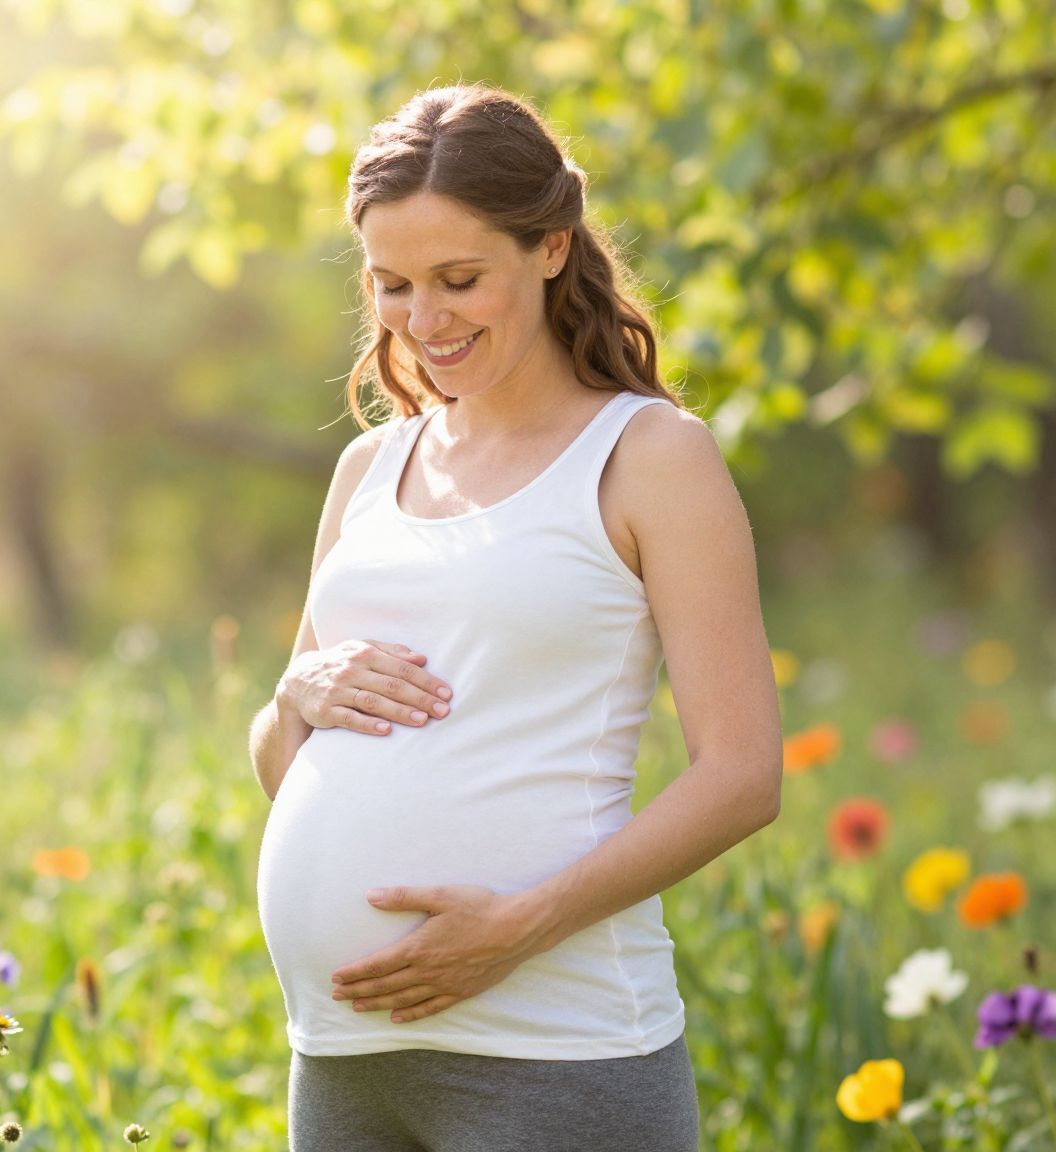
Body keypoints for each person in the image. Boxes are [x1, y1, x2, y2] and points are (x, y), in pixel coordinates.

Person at [246, 83, 783, 1152]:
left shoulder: (646, 458)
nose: (422, 320)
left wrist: (515, 928)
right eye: (391, 286)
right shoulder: (366, 468)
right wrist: (290, 694)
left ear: (548, 247)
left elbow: (742, 776)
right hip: (344, 1053)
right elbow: (282, 760)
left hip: (555, 1045)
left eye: (458, 280)